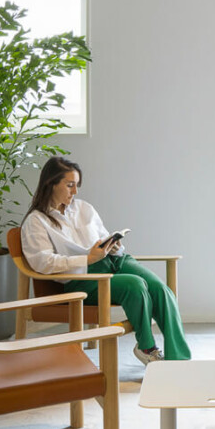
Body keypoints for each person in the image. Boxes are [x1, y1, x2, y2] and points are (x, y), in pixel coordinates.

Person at [20, 156, 191, 364]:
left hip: (116, 261)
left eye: (77, 186)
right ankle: (147, 348)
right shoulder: (36, 221)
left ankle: (180, 361)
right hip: (83, 278)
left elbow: (101, 236)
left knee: (161, 290)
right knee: (135, 285)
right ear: (51, 184)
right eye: (70, 185)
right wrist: (86, 259)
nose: (75, 192)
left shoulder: (84, 208)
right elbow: (42, 262)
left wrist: (114, 246)